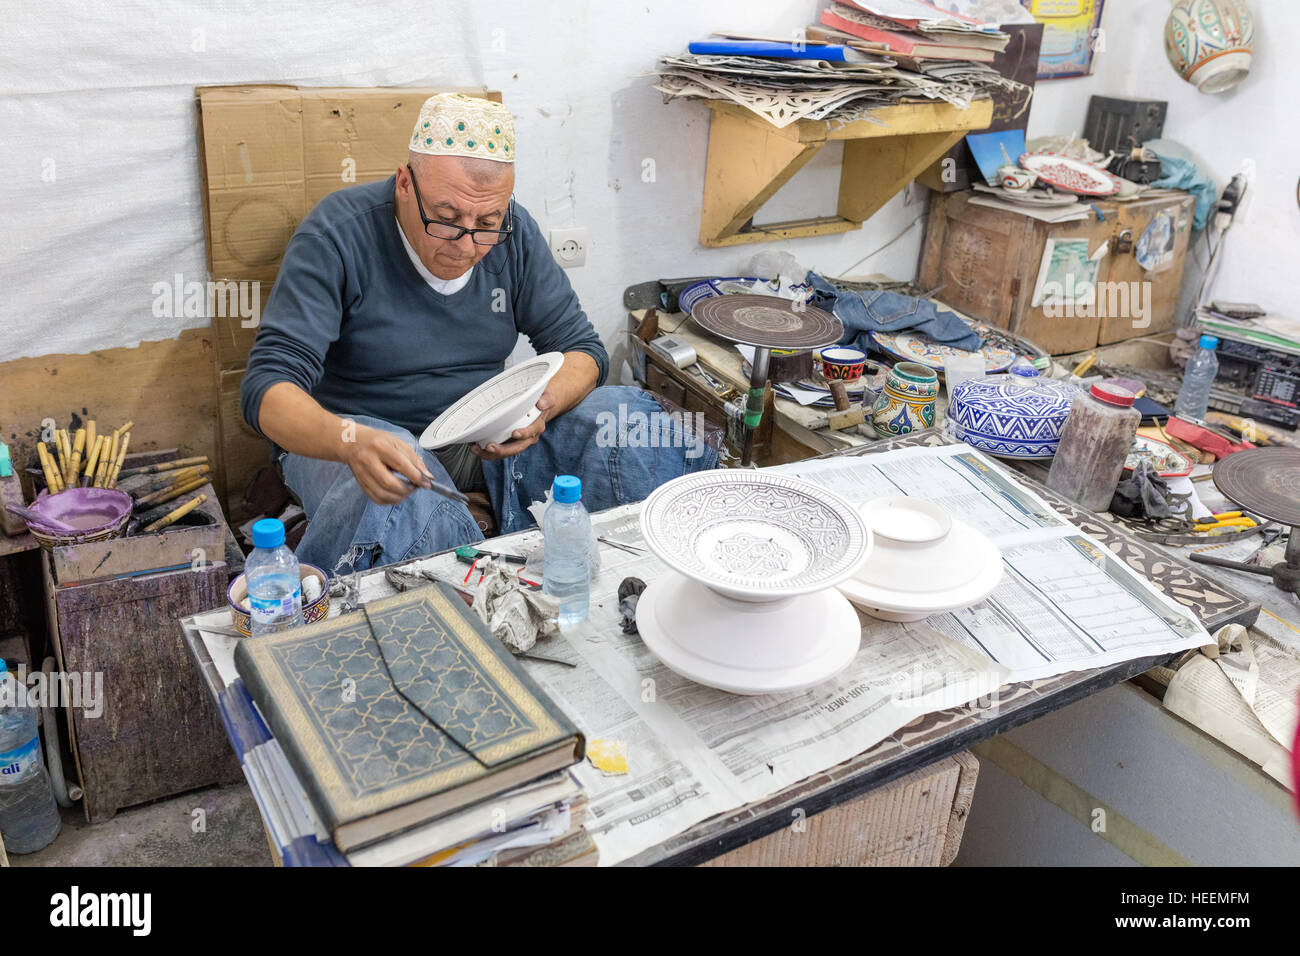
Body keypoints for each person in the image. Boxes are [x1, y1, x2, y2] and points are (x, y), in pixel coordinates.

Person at [241, 93, 715, 573]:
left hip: (479, 438)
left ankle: (638, 585)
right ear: (405, 184)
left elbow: (583, 352)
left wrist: (538, 409)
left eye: (486, 224)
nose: (467, 246)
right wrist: (349, 440)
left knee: (629, 419)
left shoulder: (514, 233)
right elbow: (266, 393)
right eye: (446, 219)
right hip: (357, 443)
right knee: (393, 484)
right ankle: (454, 605)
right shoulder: (337, 237)